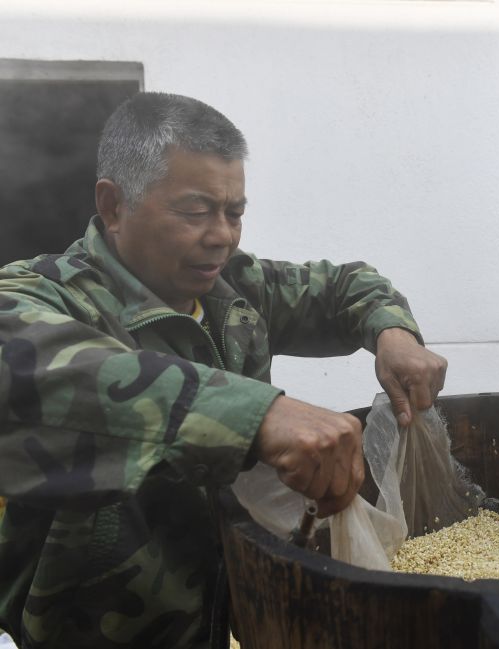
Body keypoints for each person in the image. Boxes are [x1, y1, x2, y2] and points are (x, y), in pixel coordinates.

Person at [0, 92, 447, 649]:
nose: (223, 235)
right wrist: (257, 417)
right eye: (195, 212)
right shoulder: (49, 295)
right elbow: (28, 364)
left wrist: (391, 332)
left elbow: (345, 287)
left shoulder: (232, 288)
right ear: (113, 206)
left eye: (235, 212)